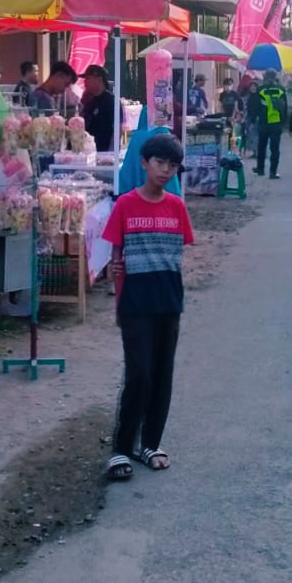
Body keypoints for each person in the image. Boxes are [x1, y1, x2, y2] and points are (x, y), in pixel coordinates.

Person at [102, 133, 193, 481]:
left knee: (161, 374)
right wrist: (117, 284)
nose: (166, 170)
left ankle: (150, 443)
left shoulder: (177, 206)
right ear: (144, 163)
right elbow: (115, 256)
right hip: (135, 302)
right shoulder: (125, 204)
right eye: (159, 162)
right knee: (138, 374)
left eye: (172, 165)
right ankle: (122, 447)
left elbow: (181, 253)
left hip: (168, 300)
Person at [251, 73, 288, 178]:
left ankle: (260, 169)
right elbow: (284, 108)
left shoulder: (261, 90)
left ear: (265, 78)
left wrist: (254, 118)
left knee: (261, 146)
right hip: (276, 123)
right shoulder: (281, 90)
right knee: (275, 149)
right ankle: (273, 172)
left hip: (264, 122)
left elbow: (255, 106)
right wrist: (284, 122)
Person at [79, 64, 117, 152]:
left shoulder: (111, 101)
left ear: (99, 80)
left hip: (104, 152)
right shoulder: (89, 101)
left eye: (88, 78)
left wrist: (111, 154)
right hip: (88, 152)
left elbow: (117, 128)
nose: (85, 82)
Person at [218, 75, 242, 147]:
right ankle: (226, 146)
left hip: (233, 115)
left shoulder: (234, 94)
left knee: (233, 132)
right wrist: (223, 115)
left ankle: (233, 147)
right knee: (225, 131)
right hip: (225, 115)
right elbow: (221, 105)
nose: (228, 87)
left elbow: (236, 106)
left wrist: (233, 116)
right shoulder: (222, 94)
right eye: (226, 85)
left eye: (229, 85)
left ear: (232, 85)